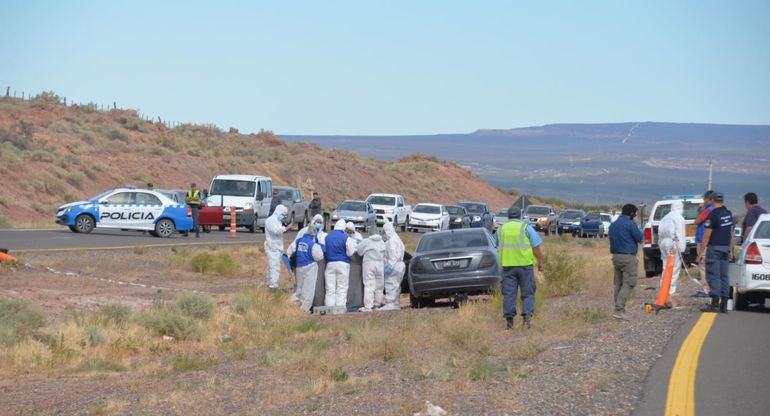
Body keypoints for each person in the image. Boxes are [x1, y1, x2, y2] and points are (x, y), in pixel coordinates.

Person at [499, 207, 544, 329]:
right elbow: (536, 247)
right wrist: (540, 262)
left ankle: (509, 322)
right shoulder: (526, 227)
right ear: (520, 216)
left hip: (508, 266)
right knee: (528, 293)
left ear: (508, 217)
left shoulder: (501, 229)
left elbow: (496, 245)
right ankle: (527, 320)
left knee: (509, 294)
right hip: (525, 266)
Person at [697, 192, 734, 313]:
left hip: (715, 249)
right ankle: (724, 304)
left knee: (713, 275)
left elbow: (706, 236)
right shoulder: (728, 214)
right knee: (724, 276)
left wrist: (700, 254)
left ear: (712, 200)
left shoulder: (712, 216)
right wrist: (731, 250)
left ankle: (714, 303)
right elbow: (731, 234)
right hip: (725, 248)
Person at [608, 203, 644, 320]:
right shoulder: (630, 224)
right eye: (635, 213)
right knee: (629, 283)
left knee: (618, 283)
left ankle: (618, 309)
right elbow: (640, 238)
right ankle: (619, 309)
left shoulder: (613, 225)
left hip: (616, 257)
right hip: (628, 257)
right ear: (631, 213)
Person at [286, 220, 324, 311]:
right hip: (310, 267)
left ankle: (291, 305)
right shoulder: (313, 245)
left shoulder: (299, 241)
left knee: (299, 288)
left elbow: (289, 251)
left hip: (299, 267)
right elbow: (320, 256)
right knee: (308, 291)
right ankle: (304, 310)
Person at [658, 200, 686, 307]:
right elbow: (680, 233)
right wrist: (681, 248)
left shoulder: (665, 217)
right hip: (674, 243)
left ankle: (663, 291)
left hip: (665, 243)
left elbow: (660, 234)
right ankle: (671, 293)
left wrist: (661, 247)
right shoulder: (678, 217)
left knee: (666, 267)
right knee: (674, 268)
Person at [324, 219, 357, 308]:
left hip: (330, 264)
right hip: (343, 264)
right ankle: (340, 307)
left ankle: (329, 307)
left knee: (330, 288)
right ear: (343, 228)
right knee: (342, 287)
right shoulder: (346, 238)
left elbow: (324, 250)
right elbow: (350, 253)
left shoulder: (327, 237)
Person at [356, 231, 387, 312]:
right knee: (379, 286)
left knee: (369, 285)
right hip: (380, 264)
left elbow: (359, 251)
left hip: (369, 263)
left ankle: (368, 306)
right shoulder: (382, 242)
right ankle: (377, 305)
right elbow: (385, 254)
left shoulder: (366, 241)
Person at [378, 222, 406, 311]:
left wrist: (390, 266)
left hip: (394, 266)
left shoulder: (391, 241)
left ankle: (390, 303)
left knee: (391, 284)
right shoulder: (397, 239)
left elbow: (393, 256)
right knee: (396, 285)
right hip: (400, 265)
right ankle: (396, 303)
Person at [264, 205, 292, 290]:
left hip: (276, 248)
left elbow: (279, 231)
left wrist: (285, 229)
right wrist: (286, 228)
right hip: (272, 248)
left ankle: (270, 284)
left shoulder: (277, 221)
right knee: (274, 268)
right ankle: (273, 286)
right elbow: (276, 230)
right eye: (283, 214)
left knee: (272, 267)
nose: (283, 217)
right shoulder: (271, 220)